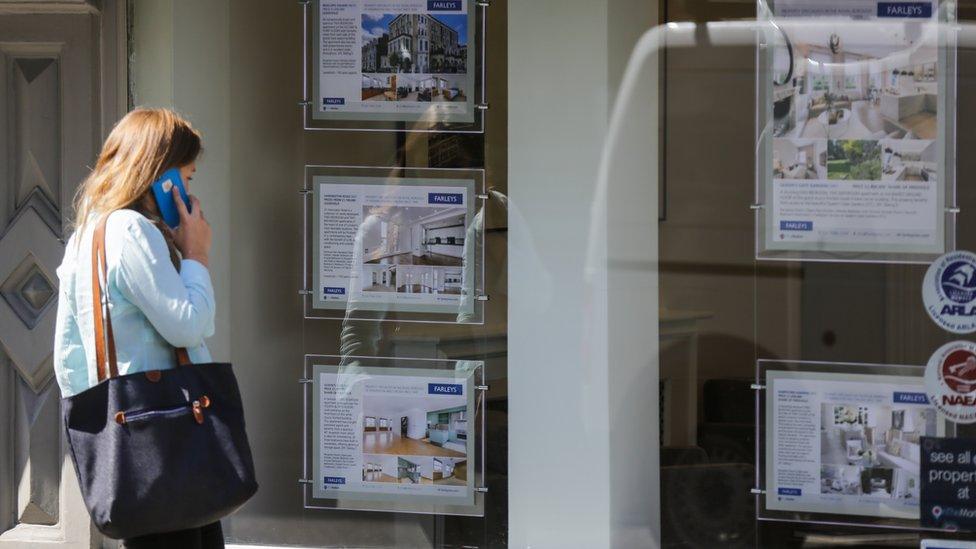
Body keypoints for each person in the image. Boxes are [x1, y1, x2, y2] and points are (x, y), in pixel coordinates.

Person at [53, 108, 222, 549]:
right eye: (187, 177)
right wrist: (197, 255)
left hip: (136, 438)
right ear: (161, 176)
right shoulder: (132, 231)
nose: (189, 191)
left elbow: (68, 362)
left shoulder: (85, 236)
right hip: (169, 437)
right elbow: (188, 325)